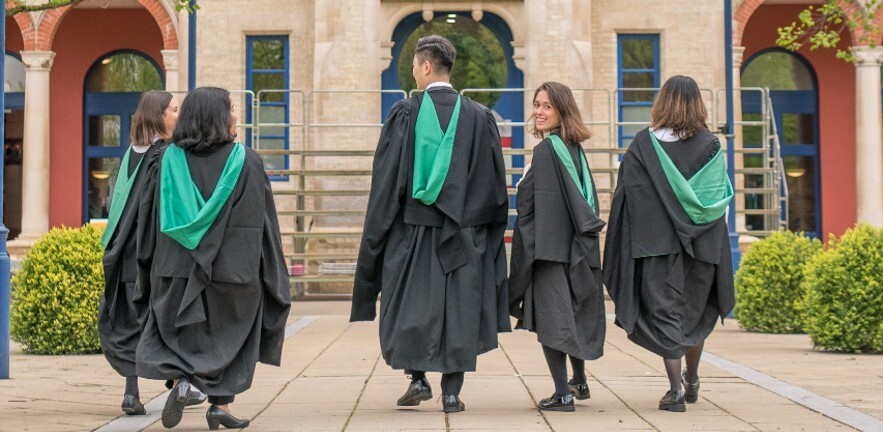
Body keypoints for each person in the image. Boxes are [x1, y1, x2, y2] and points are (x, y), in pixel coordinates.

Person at [350, 35, 510, 413]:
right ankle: (452, 393)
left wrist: (378, 233)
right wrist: (483, 232)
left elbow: (388, 183)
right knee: (459, 310)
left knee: (410, 306)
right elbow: (494, 187)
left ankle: (418, 378)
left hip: (414, 231)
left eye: (414, 67)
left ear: (425, 67)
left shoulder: (405, 113)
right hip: (465, 233)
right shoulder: (479, 117)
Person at [135, 87, 291, 429]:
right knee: (228, 339)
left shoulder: (166, 161)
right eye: (231, 109)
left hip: (175, 270)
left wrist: (145, 267)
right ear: (216, 116)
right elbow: (262, 224)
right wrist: (272, 273)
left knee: (182, 335)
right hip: (232, 274)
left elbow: (147, 220)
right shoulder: (246, 162)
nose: (236, 115)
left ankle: (184, 382)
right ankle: (220, 405)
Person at [603, 75, 735, 413]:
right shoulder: (711, 145)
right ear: (697, 104)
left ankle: (675, 390)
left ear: (662, 102)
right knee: (694, 313)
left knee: (665, 314)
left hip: (655, 248)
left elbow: (628, 199)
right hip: (701, 249)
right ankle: (691, 378)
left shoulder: (643, 146)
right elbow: (716, 202)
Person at [97, 91, 206, 416]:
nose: (178, 115)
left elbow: (118, 206)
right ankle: (181, 379)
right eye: (173, 110)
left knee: (132, 318)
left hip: (127, 253)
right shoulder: (170, 154)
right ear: (158, 116)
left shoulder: (131, 152)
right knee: (165, 315)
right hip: (157, 253)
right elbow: (177, 204)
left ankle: (132, 393)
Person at [508, 82, 606, 413]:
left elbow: (534, 205)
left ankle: (562, 393)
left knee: (553, 322)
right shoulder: (575, 150)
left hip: (551, 252)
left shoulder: (547, 151)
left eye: (547, 106)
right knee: (574, 317)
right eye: (536, 104)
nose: (538, 111)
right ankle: (579, 380)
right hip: (579, 250)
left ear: (562, 111)